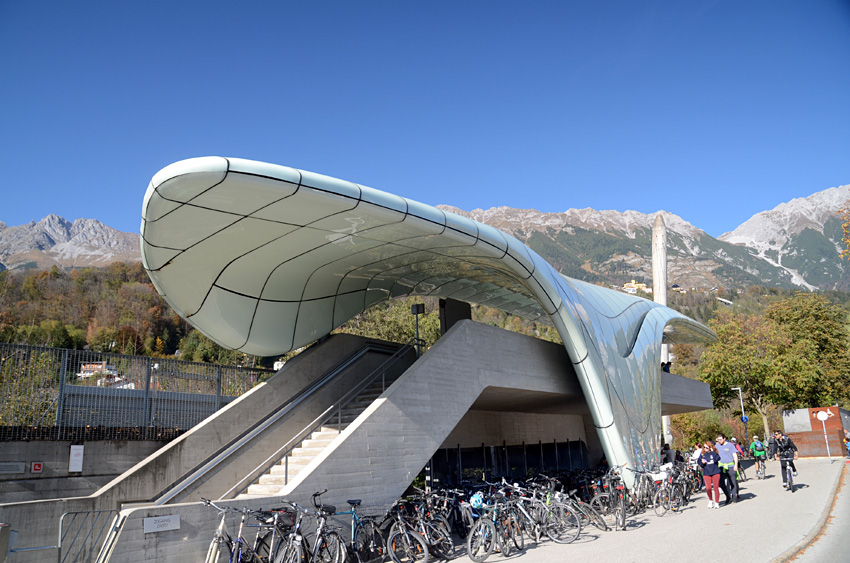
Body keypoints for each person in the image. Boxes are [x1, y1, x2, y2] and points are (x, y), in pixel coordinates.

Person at [715, 433, 740, 504]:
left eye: (720, 439)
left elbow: (735, 456)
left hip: (730, 466)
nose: (719, 441)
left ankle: (734, 496)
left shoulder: (730, 445)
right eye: (718, 440)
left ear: (724, 438)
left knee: (733, 481)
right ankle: (727, 496)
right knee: (721, 482)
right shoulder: (716, 446)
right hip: (721, 466)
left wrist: (736, 465)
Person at [699, 441, 722, 509]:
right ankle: (710, 500)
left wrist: (712, 452)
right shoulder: (702, 454)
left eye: (707, 447)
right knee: (708, 488)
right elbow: (699, 462)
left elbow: (717, 458)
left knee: (716, 487)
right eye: (704, 447)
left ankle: (717, 502)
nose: (705, 449)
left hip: (715, 472)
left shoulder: (714, 453)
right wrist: (702, 463)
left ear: (710, 447)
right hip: (707, 473)